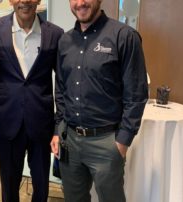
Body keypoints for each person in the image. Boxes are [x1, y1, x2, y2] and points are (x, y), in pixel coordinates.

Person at [50, 0, 148, 202]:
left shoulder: (124, 36)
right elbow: (61, 88)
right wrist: (58, 130)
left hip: (106, 142)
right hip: (69, 141)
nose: (80, 3)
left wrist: (122, 142)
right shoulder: (65, 41)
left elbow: (136, 94)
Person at [0, 0, 63, 201]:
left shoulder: (55, 34)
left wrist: (58, 127)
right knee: (9, 188)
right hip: (7, 121)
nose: (25, 1)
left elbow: (62, 84)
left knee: (41, 187)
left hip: (41, 123)